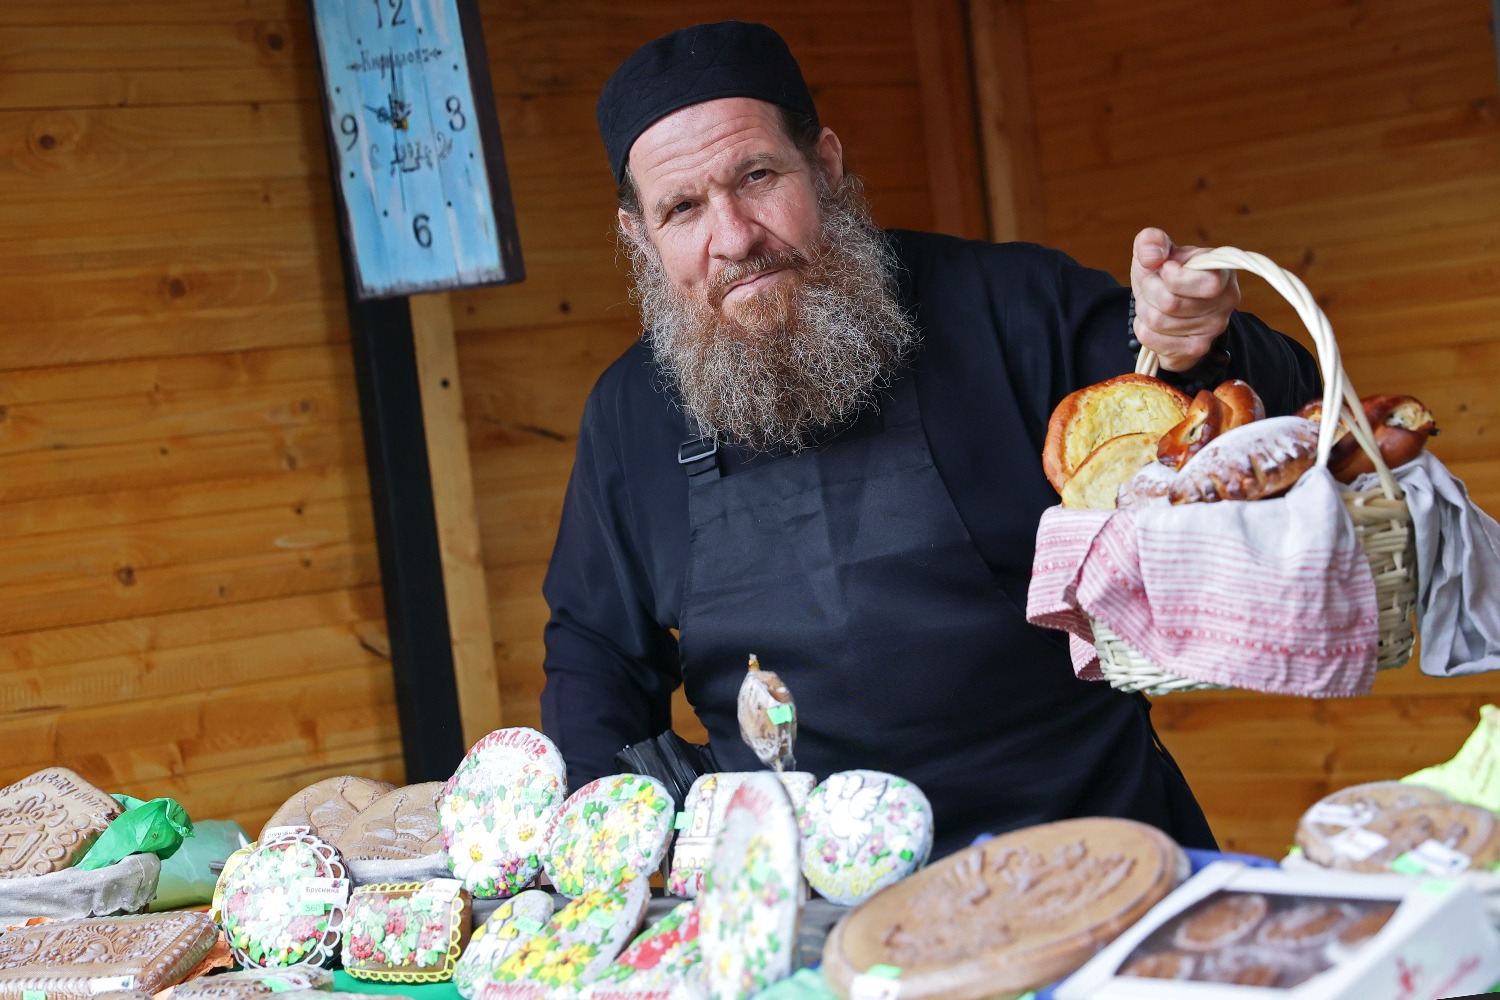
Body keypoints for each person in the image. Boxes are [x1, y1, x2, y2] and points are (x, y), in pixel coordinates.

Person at [540, 20, 1320, 856]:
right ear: (641, 237)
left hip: (1092, 850)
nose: (732, 237)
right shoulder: (628, 413)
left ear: (826, 165)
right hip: (807, 916)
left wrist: (1200, 337)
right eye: (683, 208)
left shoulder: (1012, 304)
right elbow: (597, 660)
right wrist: (607, 867)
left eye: (757, 176)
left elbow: (1271, 418)